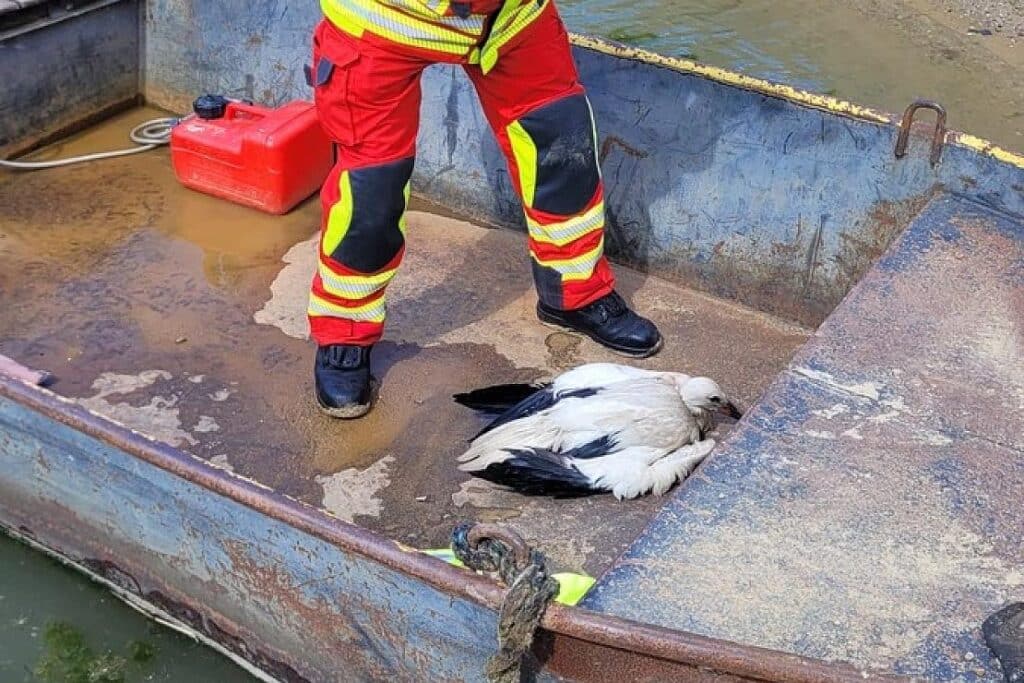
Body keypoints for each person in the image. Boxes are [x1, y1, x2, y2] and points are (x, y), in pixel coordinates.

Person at [308, 0, 663, 418]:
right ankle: (345, 330)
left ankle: (575, 293)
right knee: (371, 190)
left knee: (562, 147)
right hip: (383, 21)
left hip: (511, 19)